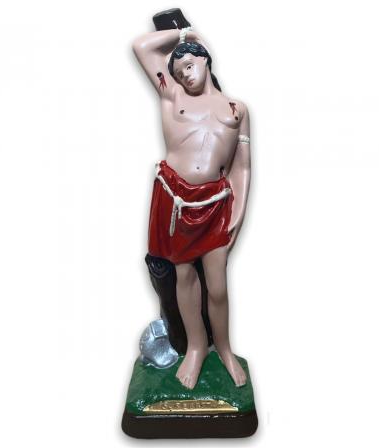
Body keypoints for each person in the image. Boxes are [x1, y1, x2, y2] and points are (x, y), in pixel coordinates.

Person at [132, 27, 251, 390]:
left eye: (188, 64)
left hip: (215, 204)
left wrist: (239, 212)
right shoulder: (172, 96)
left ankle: (225, 349)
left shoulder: (236, 109)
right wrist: (181, 32)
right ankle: (196, 347)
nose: (184, 74)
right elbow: (141, 46)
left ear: (205, 59)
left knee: (217, 286)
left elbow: (242, 167)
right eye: (177, 70)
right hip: (176, 200)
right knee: (184, 277)